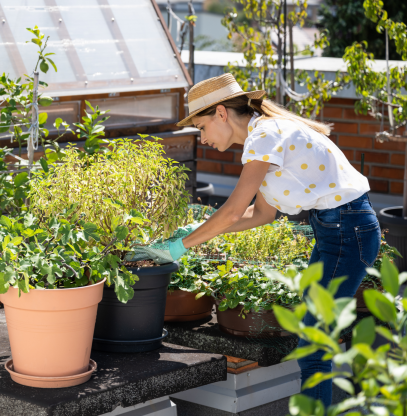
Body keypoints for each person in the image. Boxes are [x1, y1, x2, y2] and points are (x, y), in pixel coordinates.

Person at [132, 73, 380, 406]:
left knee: (314, 343)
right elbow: (260, 214)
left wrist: (180, 246)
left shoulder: (264, 136)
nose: (202, 139)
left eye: (202, 127)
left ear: (221, 113)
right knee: (314, 335)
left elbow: (234, 211)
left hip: (348, 231)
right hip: (335, 230)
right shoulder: (264, 137)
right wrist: (194, 232)